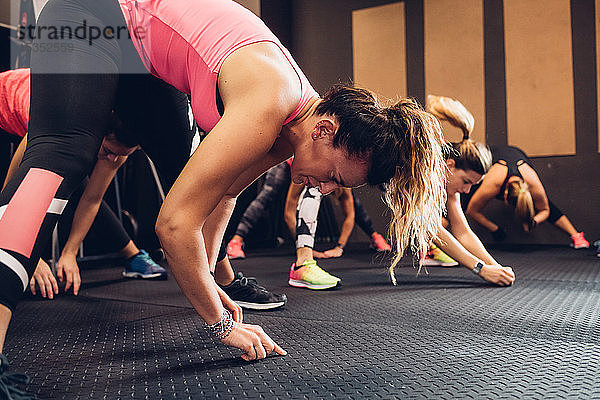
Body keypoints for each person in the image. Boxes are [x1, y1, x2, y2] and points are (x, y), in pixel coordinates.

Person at [0, 2, 447, 390]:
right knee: (67, 153)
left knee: (188, 176)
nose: (327, 189)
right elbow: (173, 226)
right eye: (333, 176)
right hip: (94, 14)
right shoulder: (270, 100)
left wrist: (210, 283)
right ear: (325, 130)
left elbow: (227, 194)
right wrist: (222, 324)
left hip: (143, 55)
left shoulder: (290, 131)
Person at [0, 68, 285, 310]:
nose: (111, 159)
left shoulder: (116, 149)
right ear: (101, 132)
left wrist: (69, 254)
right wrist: (29, 258)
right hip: (8, 104)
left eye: (120, 155)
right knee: (52, 183)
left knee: (77, 185)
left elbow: (93, 199)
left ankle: (139, 257)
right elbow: (18, 184)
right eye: (109, 150)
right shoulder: (64, 125)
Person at [426, 95, 515, 286]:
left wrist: (495, 267)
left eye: (471, 185)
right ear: (449, 166)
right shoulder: (425, 174)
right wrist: (481, 269)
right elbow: (432, 230)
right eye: (466, 181)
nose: (466, 190)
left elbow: (463, 231)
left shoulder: (450, 186)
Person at [226, 160, 390, 260]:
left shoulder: (340, 181)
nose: (326, 190)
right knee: (268, 194)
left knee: (353, 203)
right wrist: (304, 247)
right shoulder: (306, 176)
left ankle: (375, 236)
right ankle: (236, 240)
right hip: (288, 160)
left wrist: (339, 248)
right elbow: (289, 213)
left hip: (314, 162)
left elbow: (350, 215)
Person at [464, 147, 589, 249]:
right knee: (466, 194)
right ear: (504, 194)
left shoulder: (532, 182)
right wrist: (494, 228)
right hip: (492, 156)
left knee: (546, 203)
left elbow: (545, 210)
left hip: (519, 156)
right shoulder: (493, 184)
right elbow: (472, 211)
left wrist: (533, 221)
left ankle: (576, 236)